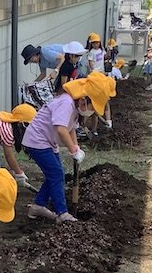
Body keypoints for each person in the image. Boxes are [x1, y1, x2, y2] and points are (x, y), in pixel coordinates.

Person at [22, 71, 114, 223]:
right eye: (92, 107)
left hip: (48, 142)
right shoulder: (66, 103)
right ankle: (62, 213)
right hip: (37, 140)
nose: (91, 112)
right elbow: (61, 129)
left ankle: (38, 206)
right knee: (56, 174)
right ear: (84, 100)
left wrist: (76, 148)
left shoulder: (74, 107)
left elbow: (70, 128)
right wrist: (72, 150)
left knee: (56, 174)